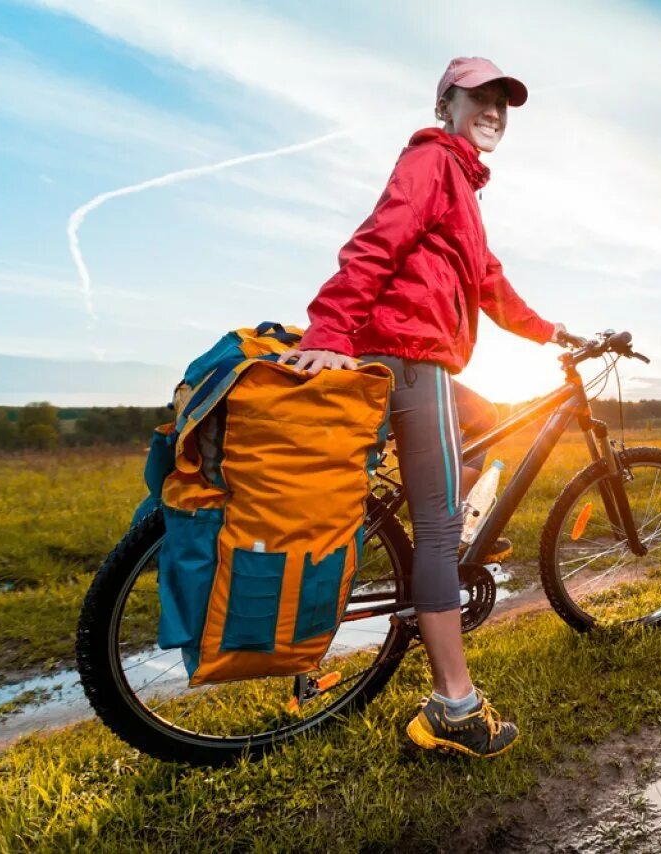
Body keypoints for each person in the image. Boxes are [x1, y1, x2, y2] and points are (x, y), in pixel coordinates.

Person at [278, 57, 567, 758]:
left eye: (504, 102)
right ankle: (454, 707)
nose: (495, 110)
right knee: (437, 530)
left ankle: (444, 545)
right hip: (412, 355)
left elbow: (491, 285)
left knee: (485, 420)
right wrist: (330, 332)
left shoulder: (463, 190)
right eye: (481, 97)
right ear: (447, 103)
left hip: (422, 356)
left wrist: (557, 332)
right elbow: (377, 241)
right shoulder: (433, 162)